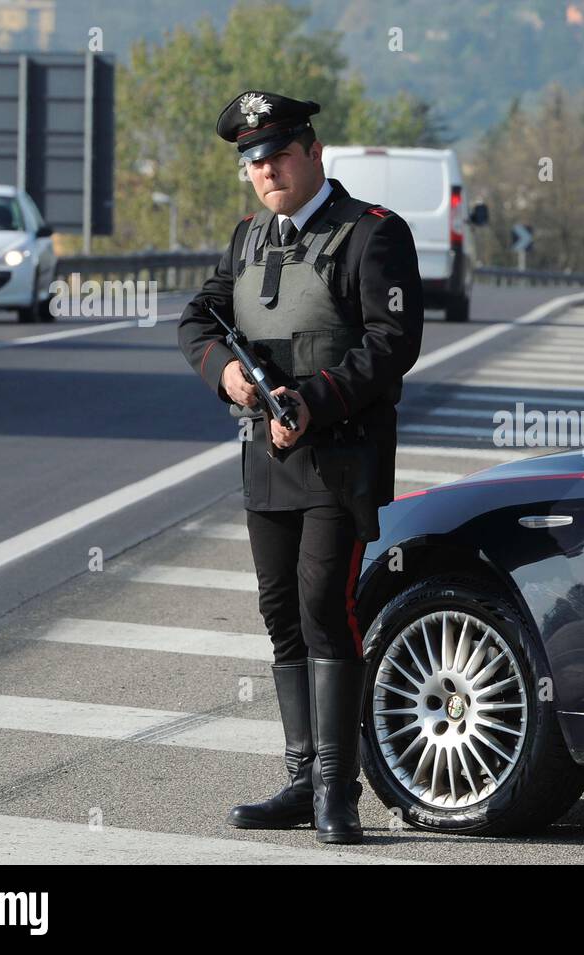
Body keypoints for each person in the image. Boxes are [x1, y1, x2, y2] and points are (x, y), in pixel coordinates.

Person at [177, 90, 424, 845]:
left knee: (326, 608)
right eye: (253, 160)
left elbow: (391, 342)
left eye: (279, 154)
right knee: (281, 612)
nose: (266, 170)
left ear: (314, 153)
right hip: (266, 458)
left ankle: (335, 792)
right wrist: (227, 374)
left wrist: (313, 401)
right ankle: (299, 776)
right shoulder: (249, 237)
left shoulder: (371, 235)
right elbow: (198, 318)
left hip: (338, 457)